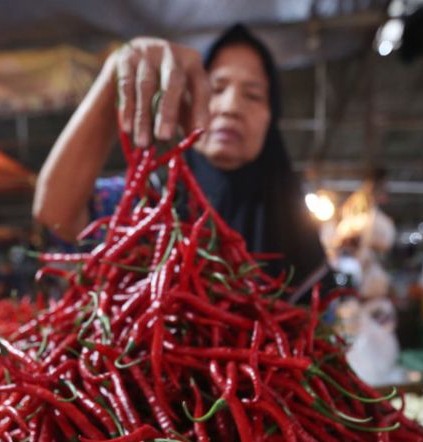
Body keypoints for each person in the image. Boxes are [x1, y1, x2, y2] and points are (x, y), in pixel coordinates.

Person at [33, 24, 330, 295]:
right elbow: (56, 216)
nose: (230, 108)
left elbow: (321, 330)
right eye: (216, 88)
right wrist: (116, 78)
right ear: (192, 97)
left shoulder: (295, 223)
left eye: (253, 96)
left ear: (272, 118)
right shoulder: (146, 200)